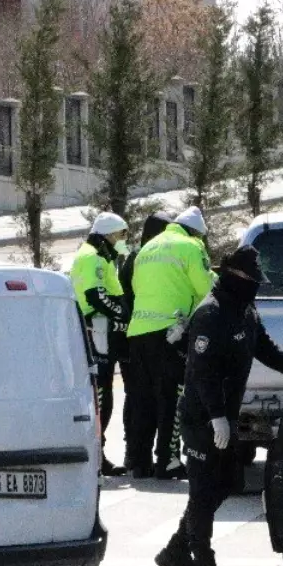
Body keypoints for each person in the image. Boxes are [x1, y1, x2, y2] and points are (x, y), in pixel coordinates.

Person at [154, 245, 283, 566]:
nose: (255, 286)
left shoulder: (245, 309)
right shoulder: (211, 314)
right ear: (234, 277)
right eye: (250, 279)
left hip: (226, 416)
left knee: (224, 483)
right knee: (202, 493)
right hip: (203, 417)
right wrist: (216, 417)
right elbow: (202, 373)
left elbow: (262, 346)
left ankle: (175, 550)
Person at [127, 206, 215, 480]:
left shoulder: (148, 247)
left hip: (138, 331)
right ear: (197, 232)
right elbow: (206, 288)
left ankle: (139, 462)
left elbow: (136, 288)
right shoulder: (191, 246)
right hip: (170, 332)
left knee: (142, 400)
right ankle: (168, 460)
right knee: (172, 399)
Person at [69, 211, 130, 477]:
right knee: (100, 395)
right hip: (96, 331)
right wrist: (121, 312)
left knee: (104, 394)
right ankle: (96, 455)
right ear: (106, 236)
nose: (120, 241)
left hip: (101, 331)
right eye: (118, 236)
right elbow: (95, 295)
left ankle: (98, 453)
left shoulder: (99, 257)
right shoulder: (91, 258)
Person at [118, 210, 176, 476]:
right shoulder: (153, 258)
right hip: (152, 336)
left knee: (138, 399)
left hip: (134, 337)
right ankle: (144, 456)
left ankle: (136, 457)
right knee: (155, 399)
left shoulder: (135, 257)